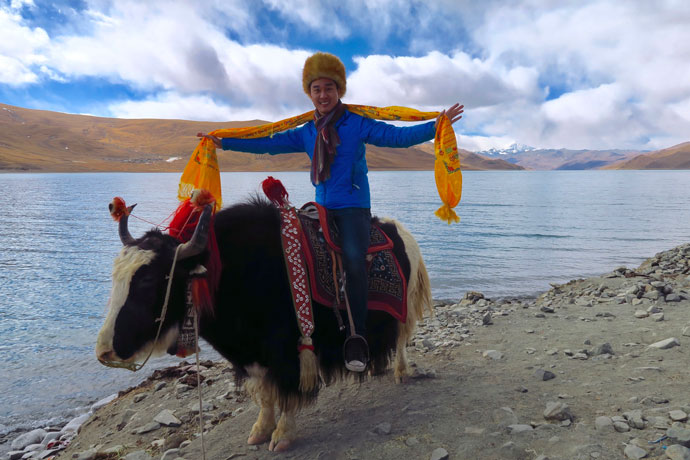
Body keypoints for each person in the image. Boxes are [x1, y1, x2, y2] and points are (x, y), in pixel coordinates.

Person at [198, 52, 463, 372]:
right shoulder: (306, 131)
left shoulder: (358, 124)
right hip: (319, 207)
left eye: (329, 88)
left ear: (339, 91)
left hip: (352, 209)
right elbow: (268, 142)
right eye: (316, 89)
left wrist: (436, 125)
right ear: (309, 93)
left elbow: (397, 137)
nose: (323, 95)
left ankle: (359, 336)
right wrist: (224, 143)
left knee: (353, 258)